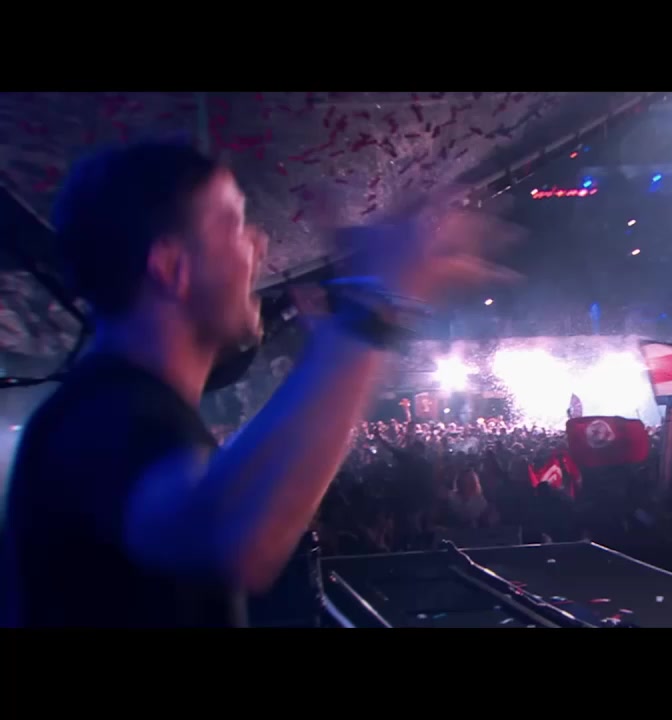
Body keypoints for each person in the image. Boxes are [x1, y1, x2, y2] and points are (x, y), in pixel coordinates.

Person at [0, 141, 515, 627]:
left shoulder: (115, 409)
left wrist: (336, 348)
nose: (260, 246)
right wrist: (376, 308)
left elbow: (229, 488)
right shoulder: (101, 418)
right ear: (172, 267)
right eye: (235, 224)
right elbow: (230, 535)